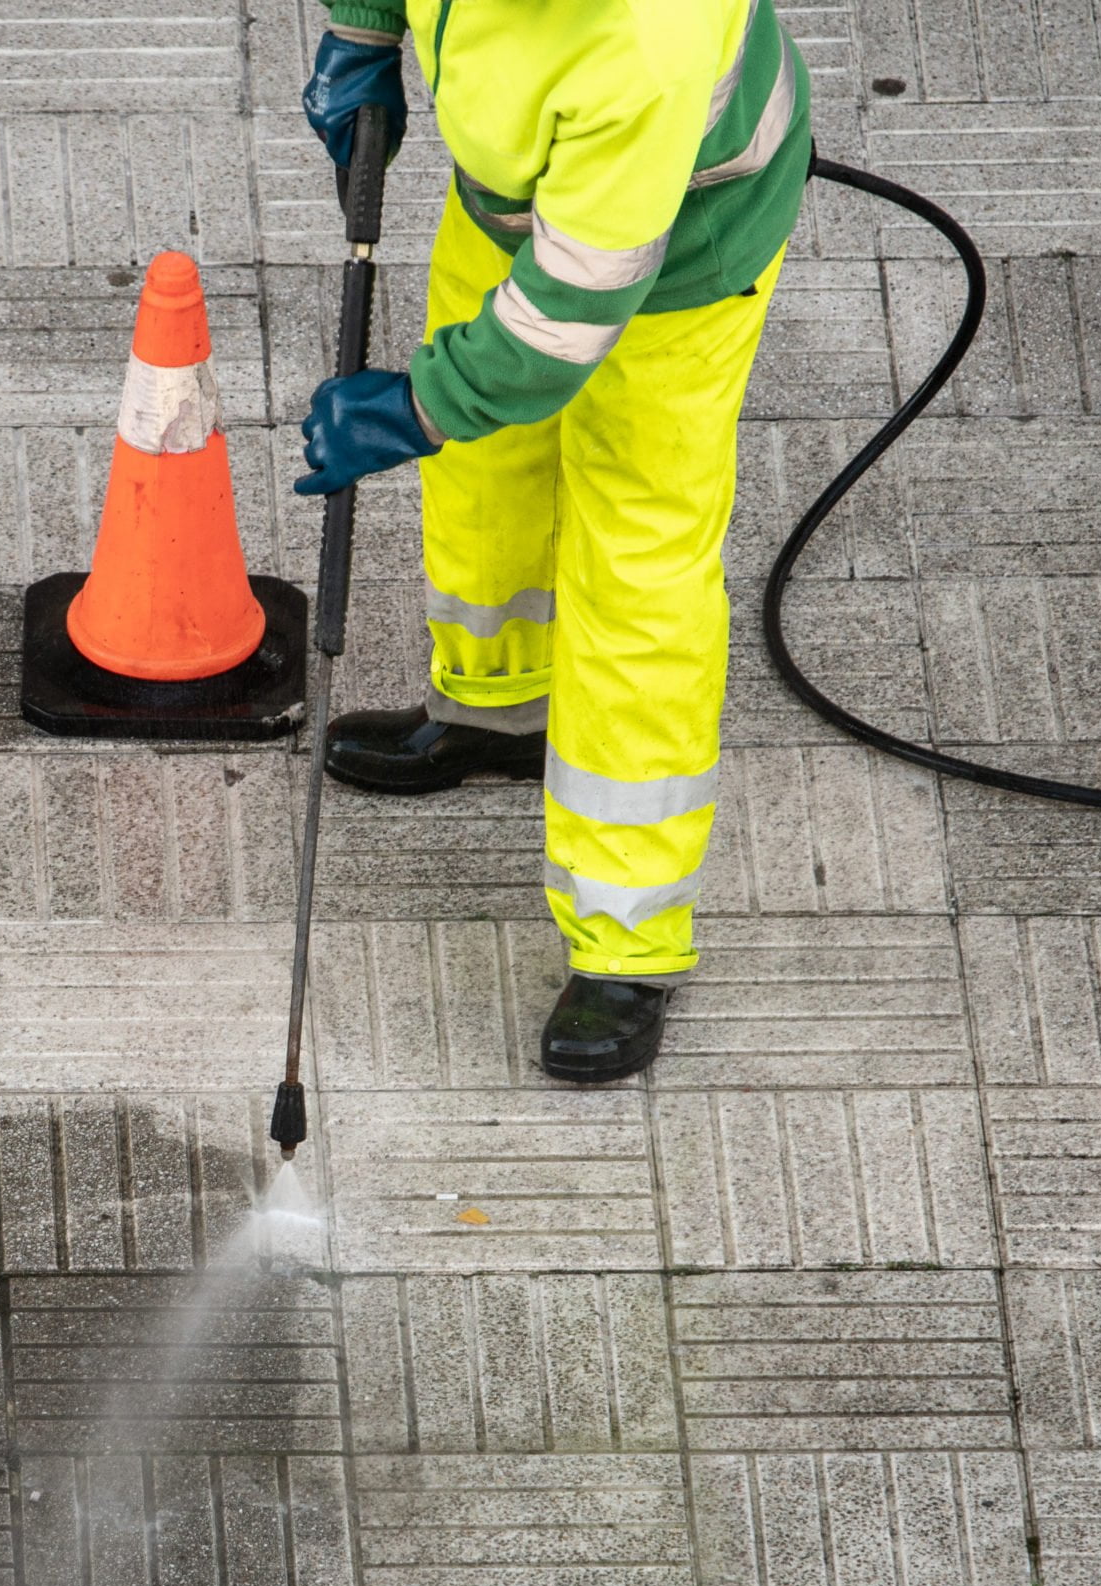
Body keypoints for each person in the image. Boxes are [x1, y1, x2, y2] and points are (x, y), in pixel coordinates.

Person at [297, 0, 811, 1082]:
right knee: (485, 469)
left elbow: (562, 324)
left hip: (674, 263)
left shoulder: (641, 40)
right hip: (518, 207)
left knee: (636, 576)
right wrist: (363, 28)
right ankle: (498, 709)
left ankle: (627, 942)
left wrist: (412, 407)